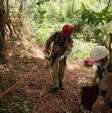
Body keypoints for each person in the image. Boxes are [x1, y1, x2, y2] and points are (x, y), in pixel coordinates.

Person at [43, 24, 78, 93]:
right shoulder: (55, 34)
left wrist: (63, 56)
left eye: (69, 34)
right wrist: (47, 51)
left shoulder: (70, 39)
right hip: (54, 56)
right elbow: (48, 42)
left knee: (61, 72)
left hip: (63, 57)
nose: (68, 35)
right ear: (63, 31)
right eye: (67, 34)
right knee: (54, 71)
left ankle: (60, 83)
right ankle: (55, 86)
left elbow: (69, 50)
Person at [90, 46, 112, 113]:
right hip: (101, 89)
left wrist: (107, 97)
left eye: (97, 61)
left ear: (103, 59)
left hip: (107, 93)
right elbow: (98, 69)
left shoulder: (110, 68)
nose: (97, 63)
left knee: (96, 108)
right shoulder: (101, 64)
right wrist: (94, 79)